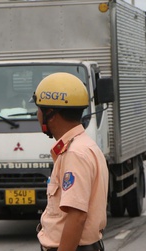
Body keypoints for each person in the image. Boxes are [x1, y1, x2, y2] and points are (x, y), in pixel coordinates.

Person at [33, 72, 108, 251]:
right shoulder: (83, 146)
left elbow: (77, 216)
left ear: (51, 113)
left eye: (39, 109)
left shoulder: (75, 153)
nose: (37, 115)